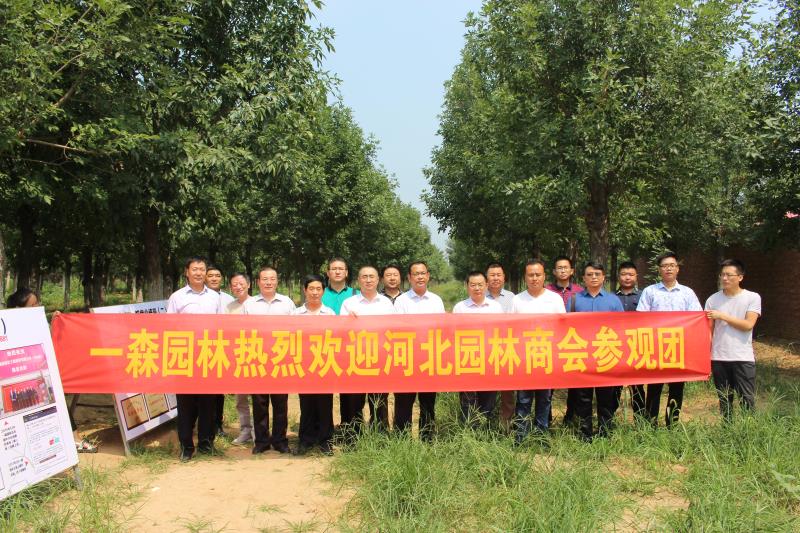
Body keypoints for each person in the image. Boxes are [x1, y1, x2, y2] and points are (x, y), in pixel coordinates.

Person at [166, 256, 223, 462]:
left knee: (208, 401)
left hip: (209, 354)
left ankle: (206, 443)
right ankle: (186, 446)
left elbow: (221, 326)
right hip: (185, 355)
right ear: (187, 272)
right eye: (195, 269)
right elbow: (169, 327)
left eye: (202, 269)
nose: (199, 273)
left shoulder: (214, 297)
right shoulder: (177, 297)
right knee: (186, 403)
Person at [637, 251, 702, 426]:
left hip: (678, 348)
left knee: (676, 388)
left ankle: (672, 424)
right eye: (665, 266)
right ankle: (650, 424)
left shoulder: (687, 293)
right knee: (654, 387)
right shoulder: (650, 291)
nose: (668, 269)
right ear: (659, 270)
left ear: (677, 269)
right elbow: (641, 318)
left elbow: (696, 318)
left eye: (672, 265)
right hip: (655, 348)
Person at [511, 259, 566, 444]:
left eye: (538, 275)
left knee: (545, 399)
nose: (534, 278)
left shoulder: (554, 299)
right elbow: (510, 329)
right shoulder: (517, 300)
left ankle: (542, 436)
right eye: (530, 275)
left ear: (544, 276)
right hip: (524, 358)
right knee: (523, 399)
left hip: (546, 357)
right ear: (525, 277)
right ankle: (521, 436)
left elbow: (562, 327)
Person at [243, 266, 296, 454]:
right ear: (258, 282)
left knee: (280, 403)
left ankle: (280, 440)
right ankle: (261, 441)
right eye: (264, 279)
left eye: (272, 279)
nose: (268, 282)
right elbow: (243, 331)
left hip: (280, 359)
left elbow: (295, 330)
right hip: (257, 358)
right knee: (259, 402)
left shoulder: (287, 303)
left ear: (277, 281)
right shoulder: (250, 304)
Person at [570, 262, 624, 440]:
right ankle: (584, 434)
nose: (593, 277)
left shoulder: (613, 301)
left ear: (603, 278)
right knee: (583, 398)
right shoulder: (575, 300)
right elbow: (566, 327)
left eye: (597, 274)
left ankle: (605, 433)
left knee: (606, 397)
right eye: (589, 274)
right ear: (583, 278)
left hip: (606, 354)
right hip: (582, 355)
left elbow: (622, 328)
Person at [340, 266, 396, 436]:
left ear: (378, 280)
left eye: (372, 276)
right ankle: (354, 436)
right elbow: (341, 331)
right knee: (354, 401)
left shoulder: (386, 303)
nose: (368, 280)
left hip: (380, 358)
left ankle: (380, 435)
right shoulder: (349, 303)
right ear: (358, 280)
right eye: (364, 277)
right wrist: (348, 321)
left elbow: (394, 330)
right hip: (356, 359)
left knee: (379, 400)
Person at [394, 261, 446, 441]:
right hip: (407, 358)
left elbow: (442, 328)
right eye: (416, 274)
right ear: (409, 277)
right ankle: (401, 438)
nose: (420, 277)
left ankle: (427, 437)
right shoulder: (401, 301)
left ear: (428, 276)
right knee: (404, 400)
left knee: (428, 401)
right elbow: (397, 330)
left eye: (423, 273)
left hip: (429, 358)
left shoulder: (436, 300)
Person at [705, 259, 761, 420]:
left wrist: (722, 316)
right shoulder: (712, 300)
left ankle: (749, 430)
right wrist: (706, 356)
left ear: (740, 277)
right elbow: (709, 331)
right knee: (724, 400)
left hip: (742, 357)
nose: (724, 278)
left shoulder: (752, 297)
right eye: (722, 275)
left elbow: (748, 325)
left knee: (746, 399)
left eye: (729, 275)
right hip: (719, 357)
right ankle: (727, 430)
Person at [294, 274, 336, 455]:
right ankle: (306, 440)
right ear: (305, 290)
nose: (315, 292)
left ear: (323, 291)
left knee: (325, 403)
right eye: (311, 288)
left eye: (318, 289)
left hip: (324, 364)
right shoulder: (296, 314)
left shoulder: (330, 313)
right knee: (306, 404)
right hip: (303, 365)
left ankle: (325, 441)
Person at [453, 271, 502, 424]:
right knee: (467, 398)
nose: (477, 288)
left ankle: (485, 427)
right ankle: (468, 427)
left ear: (486, 285)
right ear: (467, 286)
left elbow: (501, 332)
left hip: (489, 358)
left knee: (488, 396)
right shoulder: (460, 307)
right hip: (467, 359)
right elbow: (453, 333)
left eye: (480, 285)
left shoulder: (495, 307)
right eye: (473, 285)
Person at [545, 255, 584, 425]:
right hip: (550, 342)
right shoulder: (546, 291)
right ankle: (546, 419)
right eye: (559, 268)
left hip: (573, 342)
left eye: (565, 267)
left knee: (574, 382)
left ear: (572, 271)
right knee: (548, 383)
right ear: (554, 272)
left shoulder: (580, 292)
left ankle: (571, 417)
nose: (562, 270)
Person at [365, 263, 404, 431]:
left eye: (395, 275)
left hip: (402, 352)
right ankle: (380, 429)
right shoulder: (375, 299)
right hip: (379, 352)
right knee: (378, 393)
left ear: (401, 277)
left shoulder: (406, 299)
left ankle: (401, 429)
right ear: (382, 279)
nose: (392, 278)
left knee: (403, 393)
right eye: (388, 275)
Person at [321, 257, 358, 425]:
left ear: (346, 272)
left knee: (350, 392)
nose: (337, 271)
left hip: (349, 349)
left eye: (341, 269)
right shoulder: (320, 293)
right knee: (324, 391)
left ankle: (349, 428)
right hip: (324, 348)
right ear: (328, 272)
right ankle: (325, 428)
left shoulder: (356, 295)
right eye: (334, 269)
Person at [485, 262, 516, 430]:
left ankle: (506, 426)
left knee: (507, 392)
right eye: (492, 275)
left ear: (504, 277)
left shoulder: (513, 298)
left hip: (507, 350)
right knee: (486, 390)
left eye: (498, 275)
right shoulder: (480, 295)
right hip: (485, 351)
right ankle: (486, 424)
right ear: (486, 278)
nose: (495, 278)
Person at [205, 264, 233, 438]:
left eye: (217, 275)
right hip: (200, 348)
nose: (214, 278)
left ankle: (217, 424)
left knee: (218, 390)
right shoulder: (199, 298)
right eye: (211, 275)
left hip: (221, 348)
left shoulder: (228, 299)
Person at [226, 273, 254, 445]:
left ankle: (260, 432)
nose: (238, 287)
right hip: (237, 356)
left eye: (241, 283)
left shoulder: (257, 304)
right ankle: (245, 430)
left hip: (258, 356)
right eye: (234, 284)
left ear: (249, 285)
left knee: (259, 398)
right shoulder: (229, 307)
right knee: (240, 398)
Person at [616, 261, 646, 419]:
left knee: (637, 386)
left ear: (636, 277)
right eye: (623, 274)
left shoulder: (644, 296)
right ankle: (609, 423)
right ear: (618, 276)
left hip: (637, 347)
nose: (627, 278)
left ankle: (641, 421)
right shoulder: (611, 298)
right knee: (614, 386)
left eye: (631, 274)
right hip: (615, 347)